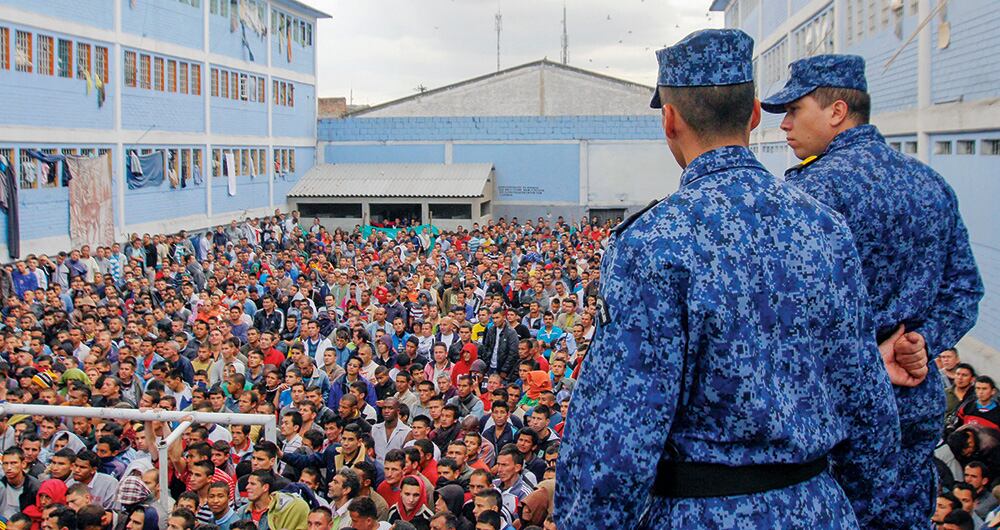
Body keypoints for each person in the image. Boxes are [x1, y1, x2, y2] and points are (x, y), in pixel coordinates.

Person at [556, 29, 899, 528]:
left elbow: (619, 436)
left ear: (670, 119)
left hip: (701, 513)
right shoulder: (826, 227)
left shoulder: (653, 241)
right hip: (818, 507)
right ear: (755, 113)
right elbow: (866, 402)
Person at [762, 53, 984, 527]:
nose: (784, 125)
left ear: (837, 111)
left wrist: (867, 358)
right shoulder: (930, 184)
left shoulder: (811, 194)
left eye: (794, 110)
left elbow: (783, 315)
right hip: (913, 406)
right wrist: (920, 342)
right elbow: (964, 290)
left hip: (836, 414)